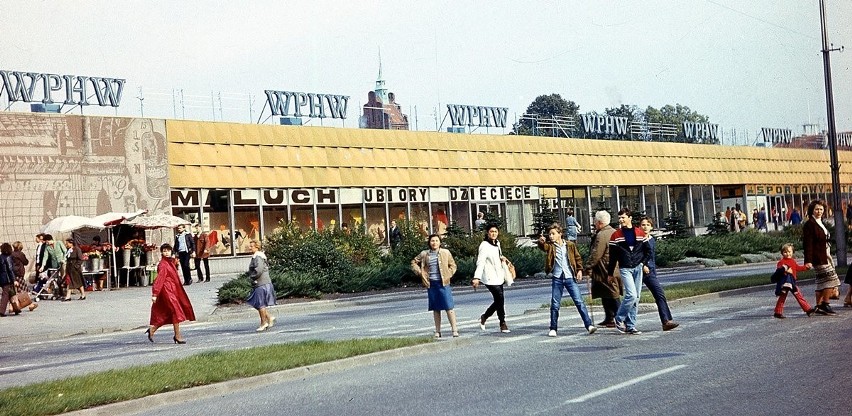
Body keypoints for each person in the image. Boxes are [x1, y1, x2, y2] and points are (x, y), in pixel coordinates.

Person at [538, 223, 595, 336]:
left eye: (553, 234)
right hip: (557, 278)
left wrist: (579, 270)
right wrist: (541, 241)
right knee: (555, 304)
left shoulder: (570, 245)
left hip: (569, 277)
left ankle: (589, 325)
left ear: (560, 234)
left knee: (579, 302)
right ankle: (553, 328)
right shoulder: (550, 246)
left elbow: (577, 258)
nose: (551, 236)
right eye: (549, 234)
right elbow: (543, 246)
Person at [607, 208, 651, 335]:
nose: (621, 220)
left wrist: (643, 263)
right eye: (619, 218)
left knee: (636, 298)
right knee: (631, 295)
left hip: (638, 267)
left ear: (630, 218)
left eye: (623, 218)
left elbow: (648, 251)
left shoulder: (639, 233)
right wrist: (610, 273)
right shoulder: (616, 235)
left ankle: (631, 326)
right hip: (625, 268)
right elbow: (612, 257)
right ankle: (619, 318)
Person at [411, 234, 459, 338]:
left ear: (440, 242)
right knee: (436, 308)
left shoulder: (446, 252)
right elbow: (414, 262)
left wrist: (449, 274)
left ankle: (454, 329)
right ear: (429, 242)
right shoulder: (425, 254)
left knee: (449, 306)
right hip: (432, 283)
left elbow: (453, 265)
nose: (434, 243)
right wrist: (420, 272)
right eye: (432, 241)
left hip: (444, 283)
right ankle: (438, 331)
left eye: (437, 241)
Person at [147, 243, 196, 344]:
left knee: (169, 313)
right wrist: (155, 294)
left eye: (168, 250)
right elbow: (159, 279)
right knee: (175, 311)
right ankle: (177, 335)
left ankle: (153, 329)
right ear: (162, 252)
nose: (166, 252)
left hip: (173, 290)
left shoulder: (171, 262)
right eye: (164, 251)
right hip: (167, 291)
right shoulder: (163, 264)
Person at [639, 217, 679, 331]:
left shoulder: (651, 239)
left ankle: (666, 321)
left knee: (659, 294)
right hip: (640, 271)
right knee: (633, 297)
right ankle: (625, 321)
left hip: (650, 272)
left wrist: (652, 269)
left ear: (651, 227)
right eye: (643, 224)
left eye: (647, 224)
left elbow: (651, 256)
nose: (645, 227)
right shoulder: (638, 240)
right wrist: (642, 265)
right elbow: (634, 256)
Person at [803, 200, 841, 315]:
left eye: (821, 209)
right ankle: (825, 303)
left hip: (826, 254)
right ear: (812, 211)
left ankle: (819, 306)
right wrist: (808, 260)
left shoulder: (820, 222)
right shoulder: (809, 224)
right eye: (816, 209)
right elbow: (807, 243)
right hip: (818, 256)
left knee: (821, 281)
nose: (819, 211)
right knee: (831, 279)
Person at [472, 225, 511, 333]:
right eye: (491, 231)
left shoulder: (497, 243)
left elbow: (498, 255)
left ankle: (490, 318)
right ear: (487, 233)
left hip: (499, 275)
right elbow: (480, 262)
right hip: (489, 277)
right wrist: (477, 277)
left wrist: (502, 258)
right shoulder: (484, 245)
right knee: (500, 298)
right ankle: (500, 322)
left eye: (495, 231)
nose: (493, 233)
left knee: (500, 300)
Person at [586, 210, 621, 327]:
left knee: (612, 293)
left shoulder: (602, 235)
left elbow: (596, 253)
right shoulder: (614, 231)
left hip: (604, 268)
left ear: (600, 222)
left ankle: (619, 318)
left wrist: (588, 266)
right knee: (605, 293)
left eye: (595, 221)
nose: (594, 223)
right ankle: (609, 318)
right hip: (613, 266)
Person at [773, 243, 814, 318]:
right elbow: (779, 270)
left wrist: (805, 267)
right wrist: (785, 270)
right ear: (782, 253)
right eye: (785, 252)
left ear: (792, 252)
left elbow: (797, 268)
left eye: (789, 252)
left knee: (798, 295)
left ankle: (807, 309)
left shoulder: (792, 261)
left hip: (792, 282)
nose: (787, 254)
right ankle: (778, 312)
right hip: (785, 283)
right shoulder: (781, 262)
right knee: (784, 296)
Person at [246, 240, 277, 332]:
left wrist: (252, 276)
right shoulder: (258, 256)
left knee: (260, 304)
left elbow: (258, 270)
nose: (250, 247)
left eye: (251, 246)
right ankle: (269, 317)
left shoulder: (258, 257)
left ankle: (264, 323)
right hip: (262, 282)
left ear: (257, 247)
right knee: (257, 303)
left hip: (261, 283)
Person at [1, 243, 22, 316]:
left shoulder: (0, 257)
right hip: (8, 279)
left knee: (11, 293)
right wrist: (14, 280)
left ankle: (16, 309)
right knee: (6, 294)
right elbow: (10, 270)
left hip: (2, 279)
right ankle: (1, 311)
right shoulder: (8, 257)